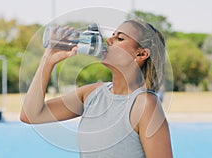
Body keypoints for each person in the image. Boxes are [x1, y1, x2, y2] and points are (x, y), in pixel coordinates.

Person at [20, 19, 173, 158]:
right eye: (112, 35)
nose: (109, 40)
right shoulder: (91, 94)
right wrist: (48, 60)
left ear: (141, 54)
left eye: (119, 38)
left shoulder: (145, 104)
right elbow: (31, 115)